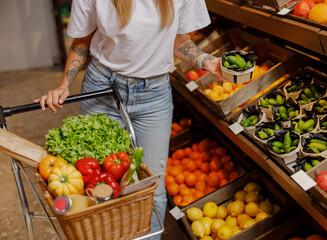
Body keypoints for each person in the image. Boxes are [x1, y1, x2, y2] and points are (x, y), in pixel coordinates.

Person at [35, 0, 223, 238]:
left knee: (150, 186)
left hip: (153, 96)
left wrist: (209, 62)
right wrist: (64, 85)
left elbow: (180, 41)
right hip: (103, 90)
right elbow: (82, 41)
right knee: (98, 185)